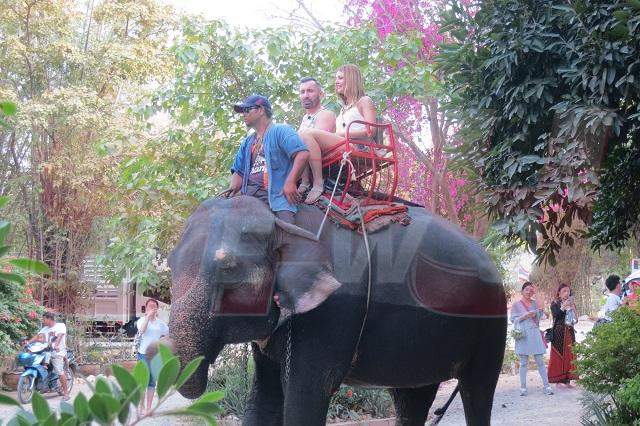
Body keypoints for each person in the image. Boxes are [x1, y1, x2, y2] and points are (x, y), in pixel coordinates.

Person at [224, 94, 310, 223]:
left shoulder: (281, 130)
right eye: (242, 111)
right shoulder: (247, 142)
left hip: (275, 195)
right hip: (249, 193)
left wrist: (290, 182)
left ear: (261, 110)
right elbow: (239, 173)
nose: (243, 114)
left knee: (288, 232)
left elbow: (302, 154)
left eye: (247, 110)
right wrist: (230, 192)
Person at [298, 64, 376, 204]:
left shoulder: (364, 101)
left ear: (351, 79)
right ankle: (304, 182)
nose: (336, 81)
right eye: (336, 78)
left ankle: (317, 183)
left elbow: (371, 130)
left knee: (307, 133)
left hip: (357, 146)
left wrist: (343, 133)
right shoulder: (343, 108)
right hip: (343, 144)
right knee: (300, 138)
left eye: (340, 78)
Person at [510, 282, 554, 396]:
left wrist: (539, 311)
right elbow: (512, 320)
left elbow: (540, 318)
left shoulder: (535, 303)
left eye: (531, 290)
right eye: (527, 290)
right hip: (523, 334)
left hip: (534, 332)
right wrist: (524, 316)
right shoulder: (516, 305)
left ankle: (546, 386)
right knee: (523, 362)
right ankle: (523, 387)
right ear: (522, 291)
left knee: (540, 360)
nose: (529, 292)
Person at [297, 77, 336, 196]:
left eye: (310, 91)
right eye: (302, 92)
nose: (306, 95)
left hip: (324, 159)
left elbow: (315, 141)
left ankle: (316, 183)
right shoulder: (305, 118)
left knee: (304, 135)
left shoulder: (326, 114)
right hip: (303, 161)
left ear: (321, 94)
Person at [136, 298, 169, 415]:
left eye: (154, 307)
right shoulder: (141, 320)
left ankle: (148, 409)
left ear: (157, 309)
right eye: (149, 306)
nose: (152, 308)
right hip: (143, 354)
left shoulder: (161, 324)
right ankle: (141, 407)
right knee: (143, 381)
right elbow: (142, 330)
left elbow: (168, 334)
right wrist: (147, 317)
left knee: (151, 383)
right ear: (146, 308)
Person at [547, 284, 579, 387]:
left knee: (569, 355)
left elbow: (575, 320)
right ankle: (557, 380)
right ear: (559, 293)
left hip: (569, 331)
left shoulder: (572, 303)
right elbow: (556, 315)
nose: (567, 293)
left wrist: (572, 308)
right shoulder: (555, 303)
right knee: (558, 355)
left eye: (568, 291)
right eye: (564, 291)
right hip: (558, 332)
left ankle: (567, 380)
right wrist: (563, 307)